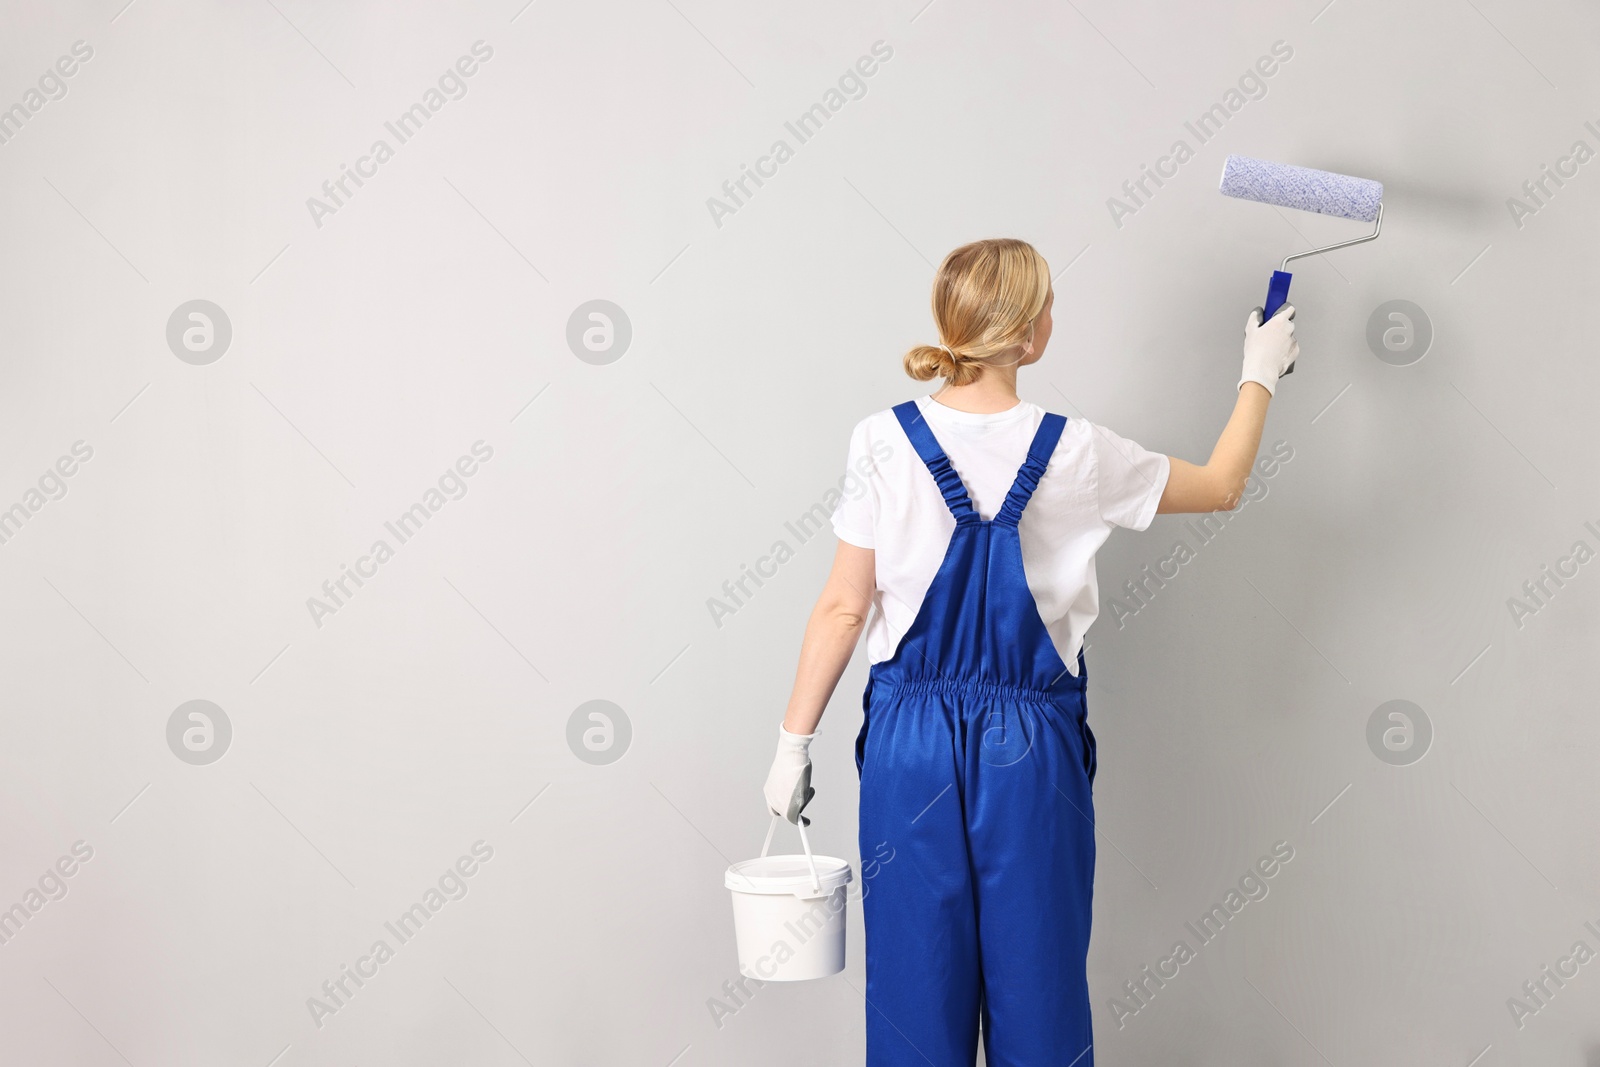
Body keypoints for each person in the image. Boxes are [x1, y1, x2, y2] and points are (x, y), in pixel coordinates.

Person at [760, 237, 1298, 1066]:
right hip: (1031, 753)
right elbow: (1222, 484)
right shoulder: (1078, 450)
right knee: (1038, 992)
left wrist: (793, 743)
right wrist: (1258, 369)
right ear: (1026, 334)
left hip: (909, 746)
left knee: (913, 991)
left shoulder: (881, 439)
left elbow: (841, 605)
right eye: (1048, 305)